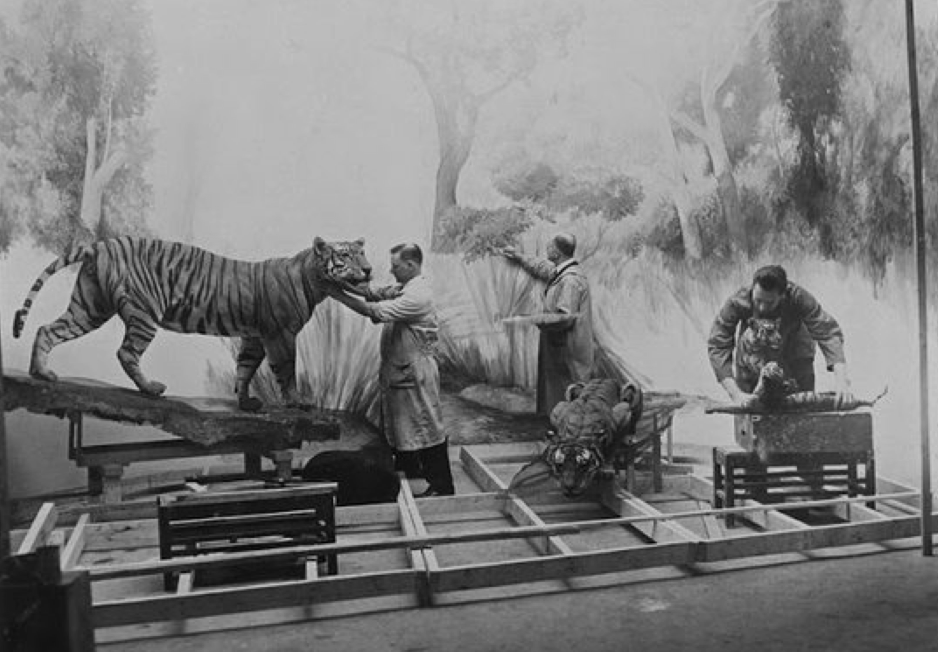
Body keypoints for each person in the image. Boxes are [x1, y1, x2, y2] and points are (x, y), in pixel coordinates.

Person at [328, 243, 455, 497]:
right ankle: (412, 469)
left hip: (415, 372)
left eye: (395, 266)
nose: (391, 270)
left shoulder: (418, 296)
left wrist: (336, 294)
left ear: (411, 265)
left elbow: (374, 310)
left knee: (427, 426)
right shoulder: (404, 287)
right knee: (405, 425)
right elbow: (372, 293)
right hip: (403, 370)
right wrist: (340, 282)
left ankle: (442, 486)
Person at [708, 264, 855, 407]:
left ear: (783, 296)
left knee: (802, 406)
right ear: (753, 289)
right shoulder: (737, 302)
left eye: (769, 303)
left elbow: (828, 332)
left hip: (795, 352)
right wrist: (735, 394)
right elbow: (718, 344)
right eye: (758, 300)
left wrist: (841, 381)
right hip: (753, 355)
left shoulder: (798, 297)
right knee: (748, 407)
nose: (762, 307)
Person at [501, 232, 594, 416]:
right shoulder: (563, 271)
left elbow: (564, 318)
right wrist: (518, 256)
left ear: (557, 253)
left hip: (567, 352)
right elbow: (543, 268)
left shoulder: (570, 281)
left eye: (550, 247)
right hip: (562, 348)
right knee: (559, 400)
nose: (547, 249)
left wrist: (529, 319)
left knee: (566, 402)